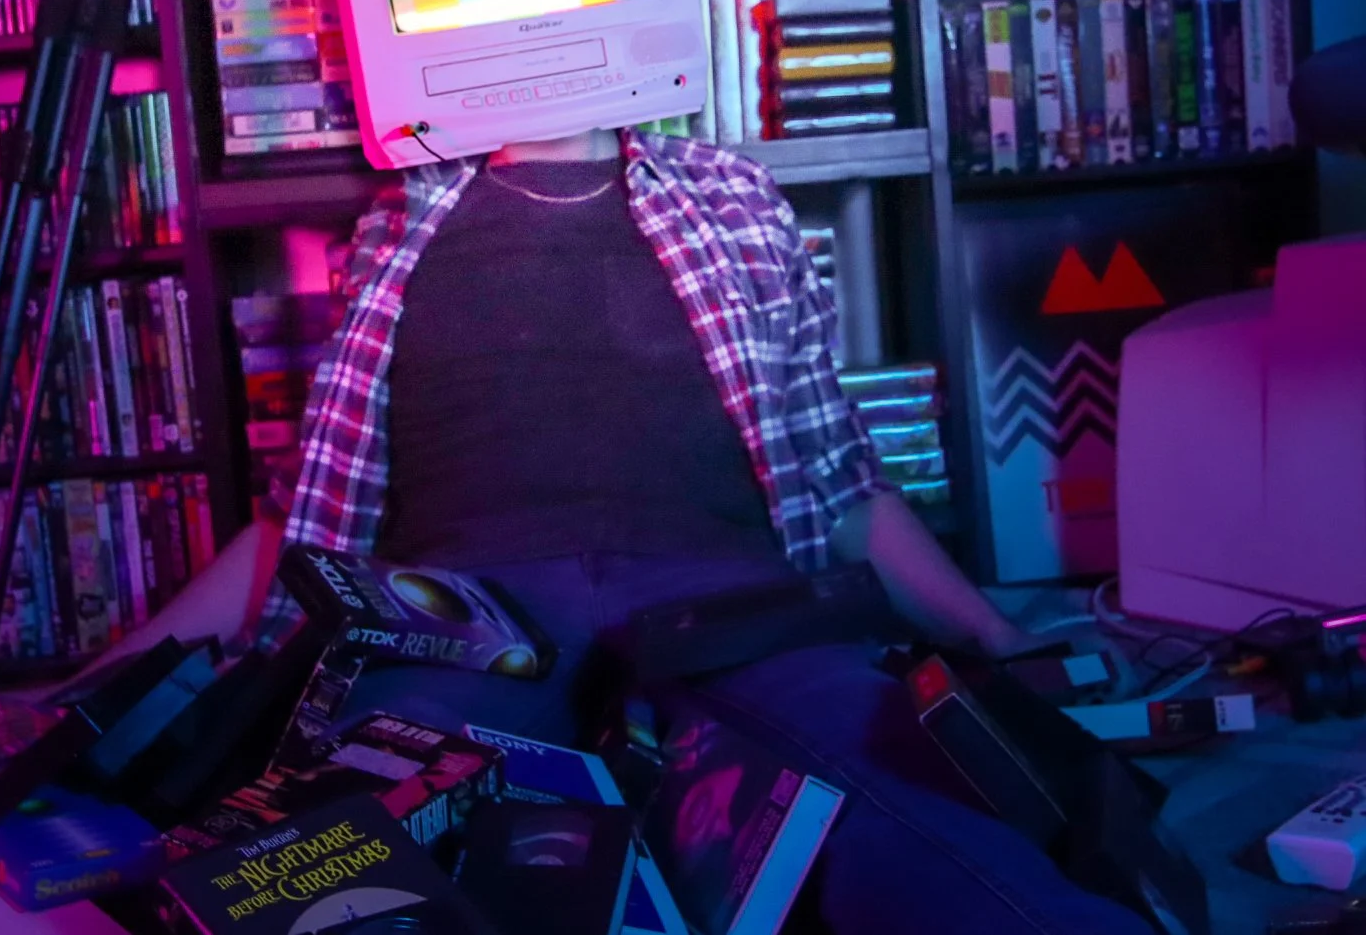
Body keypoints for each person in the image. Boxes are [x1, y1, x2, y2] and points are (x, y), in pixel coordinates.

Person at [88, 125, 1153, 935]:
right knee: (341, 849)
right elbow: (308, 518)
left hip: (730, 612)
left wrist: (996, 636)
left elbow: (841, 480)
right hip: (467, 623)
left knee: (893, 805)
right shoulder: (396, 221)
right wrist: (102, 681)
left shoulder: (730, 195)